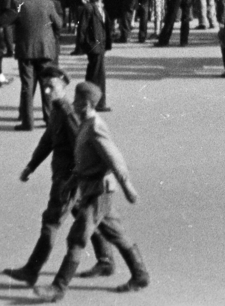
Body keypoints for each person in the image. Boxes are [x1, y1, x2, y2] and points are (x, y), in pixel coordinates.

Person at [33, 81, 148, 301]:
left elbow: (114, 158)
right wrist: (72, 180)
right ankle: (140, 274)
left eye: (76, 100)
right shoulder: (86, 123)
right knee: (115, 233)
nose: (73, 103)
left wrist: (128, 187)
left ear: (86, 103)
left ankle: (58, 287)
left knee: (77, 237)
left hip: (99, 191)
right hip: (90, 188)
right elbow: (85, 158)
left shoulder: (95, 126)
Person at [4, 65, 115, 288]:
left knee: (51, 222)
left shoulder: (67, 113)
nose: (46, 91)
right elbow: (47, 141)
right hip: (68, 178)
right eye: (44, 87)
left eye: (52, 87)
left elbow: (82, 147)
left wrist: (74, 179)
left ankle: (31, 270)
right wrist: (31, 166)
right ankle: (105, 259)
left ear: (64, 87)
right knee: (85, 216)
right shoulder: (56, 110)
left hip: (67, 179)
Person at [14, 0, 62, 131]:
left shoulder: (20, 4)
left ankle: (27, 122)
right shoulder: (48, 4)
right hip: (45, 50)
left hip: (25, 50)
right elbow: (59, 24)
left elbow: (5, 21)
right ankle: (49, 119)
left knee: (27, 86)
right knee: (46, 85)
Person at [76, 0, 112, 111]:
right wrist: (85, 45)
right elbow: (82, 28)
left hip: (100, 46)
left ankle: (90, 102)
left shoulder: (101, 7)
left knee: (95, 74)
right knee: (97, 75)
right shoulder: (89, 8)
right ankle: (97, 103)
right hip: (94, 46)